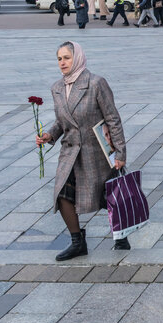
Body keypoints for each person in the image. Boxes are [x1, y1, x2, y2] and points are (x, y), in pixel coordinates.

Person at [36, 42, 129, 260]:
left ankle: (121, 238)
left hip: (96, 152)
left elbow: (113, 119)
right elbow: (62, 121)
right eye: (59, 59)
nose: (62, 63)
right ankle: (77, 242)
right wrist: (49, 135)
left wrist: (120, 154)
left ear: (77, 58)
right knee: (62, 196)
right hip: (70, 152)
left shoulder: (96, 83)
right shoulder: (57, 88)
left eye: (66, 58)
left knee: (109, 196)